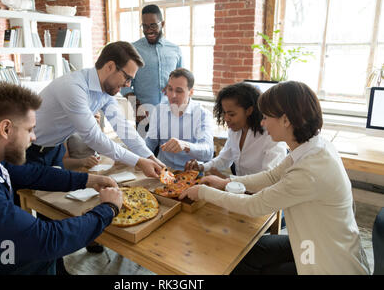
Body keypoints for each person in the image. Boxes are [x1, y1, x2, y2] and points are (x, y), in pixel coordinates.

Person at [180, 81, 371, 275]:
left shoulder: (309, 171)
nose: (262, 122)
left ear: (285, 120)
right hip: (311, 241)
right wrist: (226, 182)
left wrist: (203, 192)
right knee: (243, 252)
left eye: (266, 117)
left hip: (326, 261)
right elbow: (272, 175)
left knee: (239, 265)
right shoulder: (313, 146)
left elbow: (254, 205)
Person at [0, 83, 122, 275]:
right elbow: (45, 240)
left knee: (48, 256)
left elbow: (35, 174)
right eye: (30, 129)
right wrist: (108, 209)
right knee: (45, 247)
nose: (34, 137)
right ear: (6, 128)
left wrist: (88, 180)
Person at [26, 41, 164, 177]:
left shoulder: (106, 92)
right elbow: (93, 137)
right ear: (110, 66)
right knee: (22, 196)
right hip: (29, 150)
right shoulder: (73, 87)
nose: (128, 84)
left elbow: (123, 128)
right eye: (127, 77)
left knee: (51, 197)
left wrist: (149, 156)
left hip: (55, 150)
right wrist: (139, 161)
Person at [185, 82, 287, 176]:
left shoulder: (271, 136)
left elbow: (268, 180)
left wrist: (226, 181)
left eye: (231, 114)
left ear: (249, 111)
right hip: (239, 192)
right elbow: (224, 159)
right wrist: (201, 167)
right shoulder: (235, 131)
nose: (226, 119)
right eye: (224, 113)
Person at [121, 4, 183, 127]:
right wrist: (136, 106)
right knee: (143, 147)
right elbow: (124, 85)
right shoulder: (133, 49)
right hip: (144, 116)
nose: (148, 30)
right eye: (145, 26)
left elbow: (182, 80)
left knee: (171, 146)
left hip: (171, 115)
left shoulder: (175, 50)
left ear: (162, 24)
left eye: (153, 25)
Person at [145, 68, 213, 170]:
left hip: (190, 173)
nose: (172, 95)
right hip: (163, 171)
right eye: (170, 89)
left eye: (179, 91)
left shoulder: (203, 114)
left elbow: (208, 153)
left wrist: (185, 145)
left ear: (191, 92)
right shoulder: (159, 110)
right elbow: (150, 142)